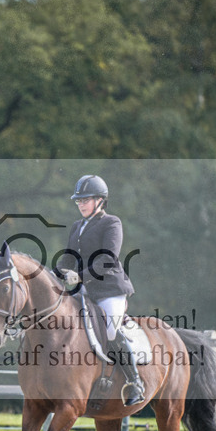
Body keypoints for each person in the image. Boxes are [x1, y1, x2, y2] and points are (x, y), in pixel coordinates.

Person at [56, 174, 145, 406]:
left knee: (111, 332)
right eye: (79, 200)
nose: (81, 204)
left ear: (100, 200)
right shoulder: (77, 226)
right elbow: (68, 257)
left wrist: (80, 276)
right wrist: (54, 275)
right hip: (84, 290)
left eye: (85, 200)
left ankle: (134, 381)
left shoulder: (112, 223)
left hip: (109, 290)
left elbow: (108, 259)